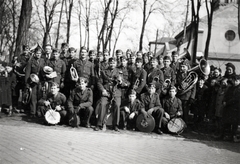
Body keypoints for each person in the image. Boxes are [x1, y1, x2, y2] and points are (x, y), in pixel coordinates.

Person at [95, 57, 128, 131]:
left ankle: (116, 125)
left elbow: (125, 84)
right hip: (106, 92)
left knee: (117, 105)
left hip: (116, 92)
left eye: (113, 63)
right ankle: (99, 124)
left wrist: (121, 82)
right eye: (110, 63)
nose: (112, 64)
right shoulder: (104, 72)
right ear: (108, 63)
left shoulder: (120, 72)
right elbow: (99, 82)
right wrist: (103, 90)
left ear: (116, 63)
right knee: (103, 104)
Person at [25, 46, 48, 117]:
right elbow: (27, 73)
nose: (38, 55)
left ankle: (38, 112)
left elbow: (45, 71)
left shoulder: (43, 61)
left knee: (40, 96)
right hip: (33, 82)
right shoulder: (30, 61)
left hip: (41, 81)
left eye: (39, 53)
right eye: (37, 53)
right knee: (33, 97)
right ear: (34, 53)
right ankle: (32, 112)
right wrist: (27, 84)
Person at [175, 60, 196, 124]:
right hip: (180, 95)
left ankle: (185, 125)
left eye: (183, 67)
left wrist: (192, 97)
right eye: (181, 67)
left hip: (187, 96)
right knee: (179, 111)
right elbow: (177, 84)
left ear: (187, 67)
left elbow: (194, 88)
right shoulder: (178, 74)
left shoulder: (191, 75)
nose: (182, 68)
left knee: (185, 112)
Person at [221, 75, 240, 141]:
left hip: (235, 109)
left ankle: (232, 137)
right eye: (234, 80)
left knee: (234, 123)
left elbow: (236, 98)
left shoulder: (239, 89)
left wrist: (227, 103)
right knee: (227, 122)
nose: (235, 82)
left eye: (236, 81)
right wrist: (224, 101)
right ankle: (226, 135)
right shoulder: (231, 87)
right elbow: (226, 95)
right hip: (228, 108)